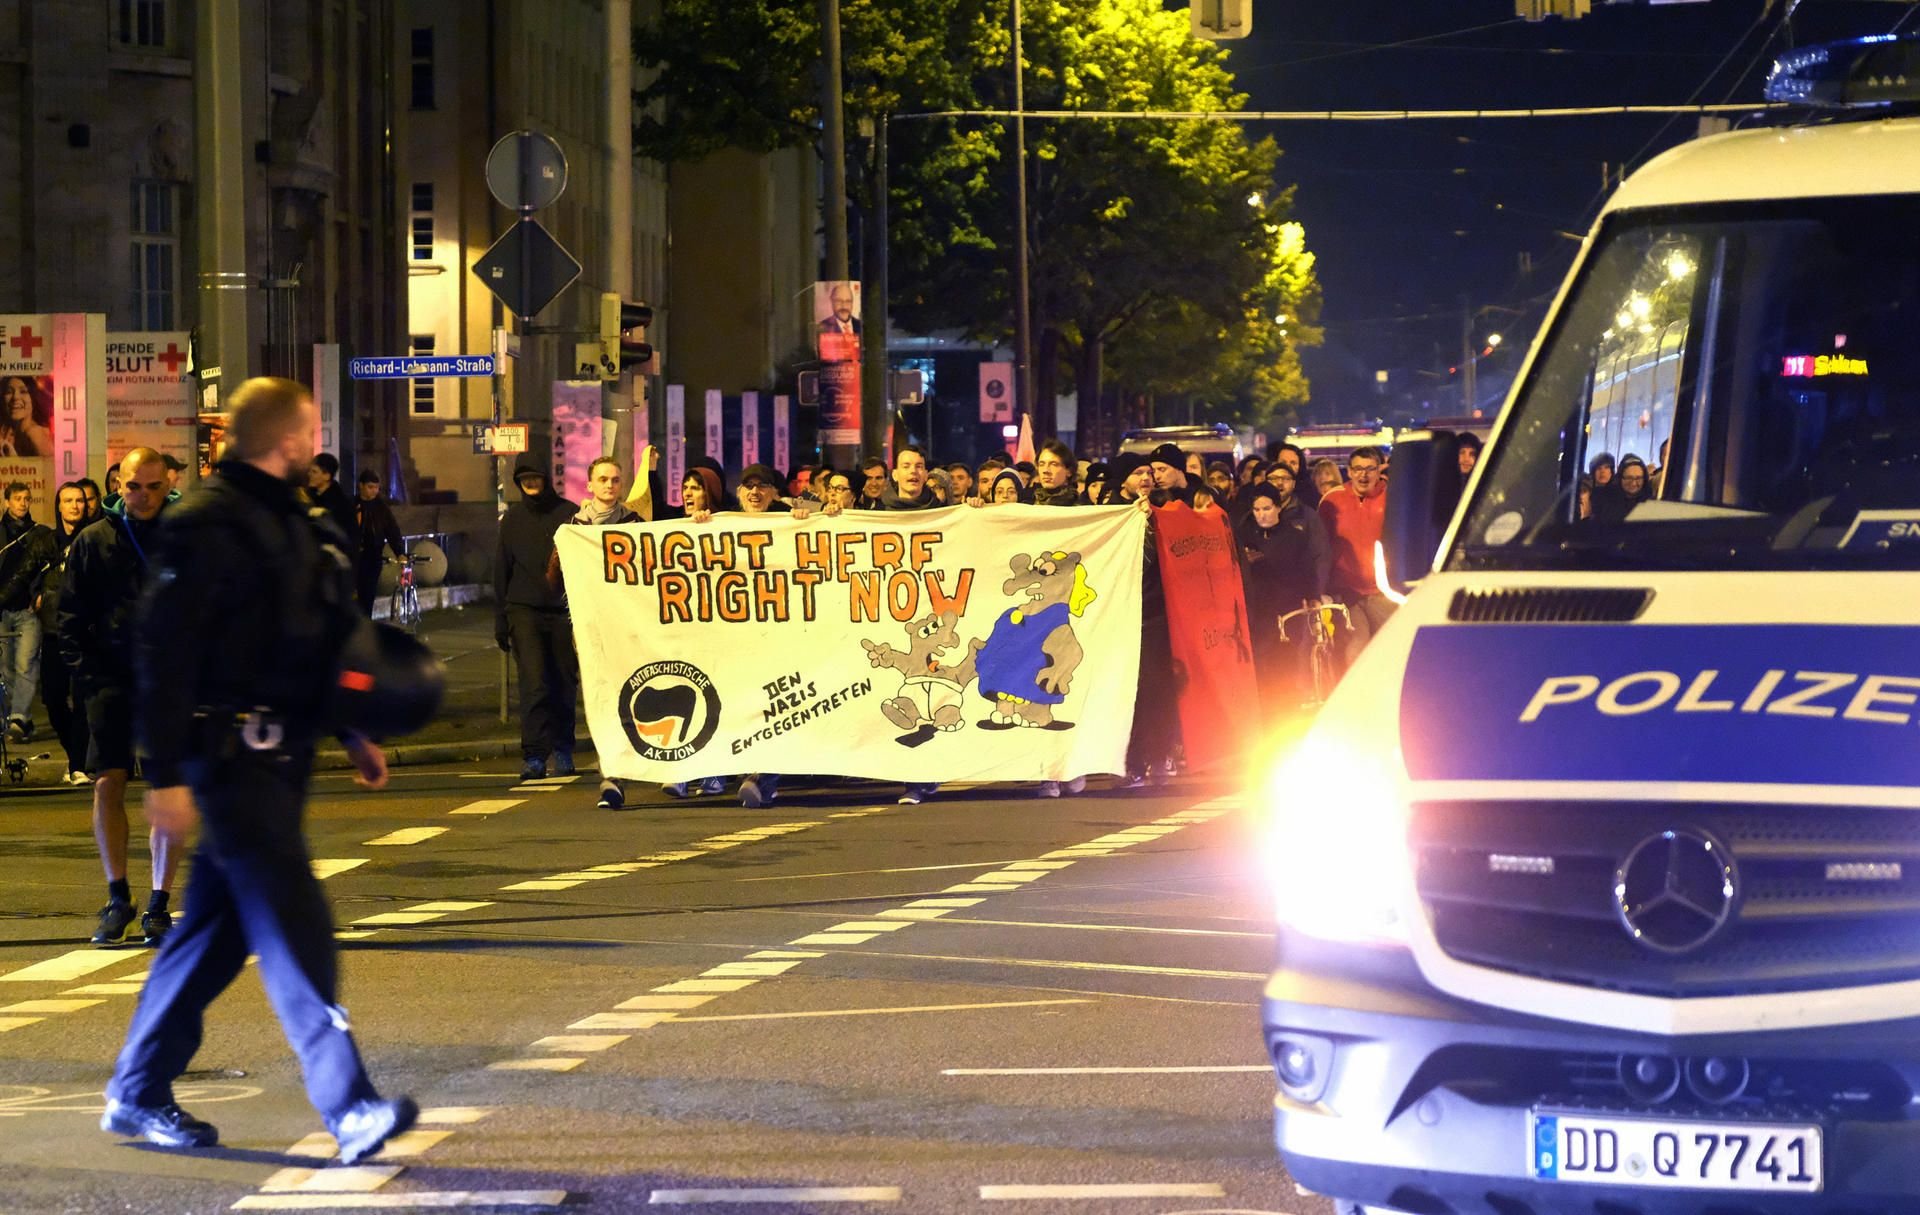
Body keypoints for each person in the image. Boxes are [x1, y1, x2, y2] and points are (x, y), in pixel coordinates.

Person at [100, 377, 417, 1165]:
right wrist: (165, 774)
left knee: (211, 936)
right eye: (309, 428)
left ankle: (137, 1088)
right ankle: (349, 1103)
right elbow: (163, 651)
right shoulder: (208, 523)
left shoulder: (293, 521)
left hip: (281, 753)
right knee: (293, 919)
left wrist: (352, 730)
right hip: (229, 754)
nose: (317, 441)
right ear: (287, 438)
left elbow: (314, 640)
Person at [59, 448, 186, 945]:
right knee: (107, 782)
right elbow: (70, 616)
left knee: (165, 791)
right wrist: (86, 675)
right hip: (109, 677)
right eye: (134, 486)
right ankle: (118, 897)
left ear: (168, 484)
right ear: (118, 485)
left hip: (168, 680)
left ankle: (158, 903)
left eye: (154, 487)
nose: (144, 496)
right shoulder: (94, 539)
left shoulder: (187, 536)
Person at [494, 463, 577, 782]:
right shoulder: (513, 519)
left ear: (546, 479)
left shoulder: (569, 514)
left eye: (535, 476)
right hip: (523, 609)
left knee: (564, 681)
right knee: (534, 683)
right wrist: (500, 618)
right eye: (524, 478)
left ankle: (563, 748)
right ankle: (534, 755)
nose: (530, 482)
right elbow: (501, 568)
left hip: (563, 610)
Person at [1236, 476, 1330, 711]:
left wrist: (1313, 596)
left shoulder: (1294, 535)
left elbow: (1307, 568)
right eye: (1257, 509)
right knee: (1261, 661)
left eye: (1267, 508)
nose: (1262, 515)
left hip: (1287, 609)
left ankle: (1286, 708)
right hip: (1257, 610)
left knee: (1286, 660)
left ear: (1278, 507)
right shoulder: (1244, 534)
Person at [39, 482, 93, 784]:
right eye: (68, 500)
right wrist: (36, 593)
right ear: (58, 506)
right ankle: (77, 754)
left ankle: (77, 766)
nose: (74, 506)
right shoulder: (48, 542)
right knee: (53, 700)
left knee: (83, 701)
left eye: (79, 501)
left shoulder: (92, 537)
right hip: (53, 631)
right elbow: (26, 573)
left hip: (85, 633)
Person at [1318, 445, 1392, 663]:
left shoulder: (1393, 498)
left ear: (1379, 471)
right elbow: (1320, 547)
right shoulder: (1332, 500)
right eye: (1358, 469)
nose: (1363, 475)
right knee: (1356, 648)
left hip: (1384, 592)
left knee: (1389, 649)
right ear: (1349, 471)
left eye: (1370, 469)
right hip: (1347, 592)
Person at [0, 481, 55, 741]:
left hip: (28, 609)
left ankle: (19, 717)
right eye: (17, 498)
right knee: (5, 668)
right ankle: (17, 717)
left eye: (27, 498)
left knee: (26, 664)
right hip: (2, 610)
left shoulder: (39, 534)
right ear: (6, 502)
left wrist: (41, 592)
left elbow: (48, 568)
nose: (23, 503)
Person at [352, 470, 406, 616]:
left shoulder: (381, 508)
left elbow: (392, 531)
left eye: (376, 487)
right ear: (361, 486)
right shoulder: (352, 504)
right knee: (354, 597)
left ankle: (365, 623)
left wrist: (400, 552)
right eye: (370, 487)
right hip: (355, 557)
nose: (374, 491)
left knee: (368, 596)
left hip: (373, 557)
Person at [1590, 453, 1653, 524]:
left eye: (1638, 478)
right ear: (1620, 478)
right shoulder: (1604, 501)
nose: (1633, 483)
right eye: (1628, 478)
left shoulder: (1651, 504)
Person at [305, 454, 356, 540]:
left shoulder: (340, 504)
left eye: (314, 472)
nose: (309, 474)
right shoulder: (308, 497)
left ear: (327, 476)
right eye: (309, 471)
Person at [1, 375, 52, 456]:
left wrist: (13, 460)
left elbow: (52, 464)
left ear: (33, 398)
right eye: (9, 392)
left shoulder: (34, 433)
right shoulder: (15, 434)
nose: (15, 397)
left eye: (23, 391)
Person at [1031, 440, 1078, 507]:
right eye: (1041, 464)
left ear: (1069, 471)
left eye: (1054, 464)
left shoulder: (1081, 507)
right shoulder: (1028, 503)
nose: (1045, 470)